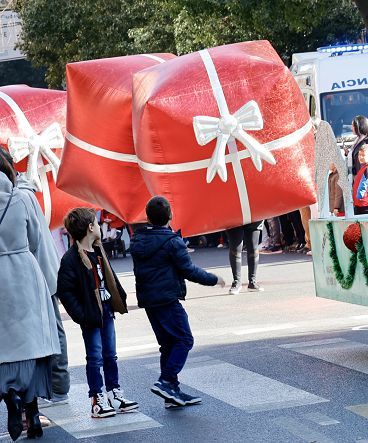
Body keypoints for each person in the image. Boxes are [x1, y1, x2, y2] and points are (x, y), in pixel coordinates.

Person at [131, 197, 224, 407]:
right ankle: (166, 382)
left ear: (147, 217)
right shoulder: (172, 242)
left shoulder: (139, 240)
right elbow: (189, 271)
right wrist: (214, 279)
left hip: (149, 300)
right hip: (167, 298)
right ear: (170, 215)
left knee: (167, 344)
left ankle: (171, 392)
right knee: (184, 339)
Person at [0, 153, 61, 441]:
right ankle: (33, 412)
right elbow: (37, 239)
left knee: (4, 348)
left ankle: (8, 394)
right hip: (24, 273)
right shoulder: (22, 198)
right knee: (32, 345)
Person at [56, 208, 137, 419]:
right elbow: (65, 291)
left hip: (107, 310)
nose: (100, 227)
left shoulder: (98, 250)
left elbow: (109, 279)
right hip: (91, 315)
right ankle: (97, 398)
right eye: (97, 223)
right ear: (90, 228)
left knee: (110, 354)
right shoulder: (71, 259)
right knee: (95, 357)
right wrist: (82, 315)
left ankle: (114, 393)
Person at [225, 222, 263, 295]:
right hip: (234, 215)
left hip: (253, 215)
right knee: (235, 248)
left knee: (253, 247)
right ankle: (236, 282)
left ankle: (252, 282)